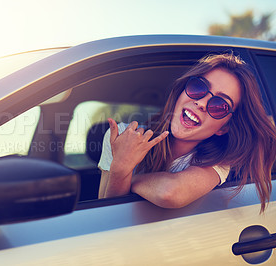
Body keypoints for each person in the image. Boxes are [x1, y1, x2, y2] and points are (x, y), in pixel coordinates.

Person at [98, 53, 276, 212]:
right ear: (182, 91)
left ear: (223, 128)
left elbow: (169, 192)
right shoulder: (123, 135)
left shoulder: (217, 164)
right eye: (198, 87)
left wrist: (122, 171)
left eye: (219, 105)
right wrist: (122, 168)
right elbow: (105, 215)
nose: (202, 103)